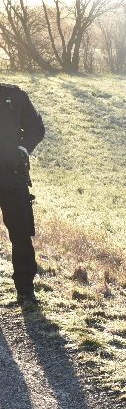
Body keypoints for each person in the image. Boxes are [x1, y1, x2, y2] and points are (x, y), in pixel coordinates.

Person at [0, 83, 45, 306]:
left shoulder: (15, 96)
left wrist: (23, 149)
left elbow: (37, 127)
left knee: (20, 233)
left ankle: (26, 292)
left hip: (12, 175)